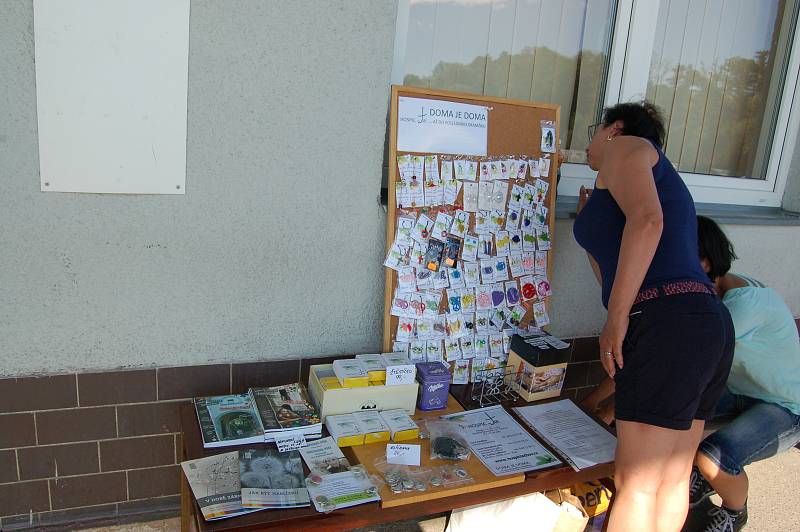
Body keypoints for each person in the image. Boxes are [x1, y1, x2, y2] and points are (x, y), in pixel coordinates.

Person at [573, 102, 734, 532]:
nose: (589, 142)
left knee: (638, 483)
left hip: (667, 321)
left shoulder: (626, 147)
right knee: (670, 477)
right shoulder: (627, 177)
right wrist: (592, 222)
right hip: (702, 320)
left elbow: (647, 222)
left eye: (595, 128)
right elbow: (616, 265)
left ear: (614, 129)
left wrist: (616, 319)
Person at [582, 216, 800, 532]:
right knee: (664, 418)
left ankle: (734, 512)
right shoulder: (710, 289)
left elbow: (661, 366)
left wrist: (600, 408)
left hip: (784, 407)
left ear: (706, 263)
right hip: (739, 391)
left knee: (713, 457)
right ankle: (689, 479)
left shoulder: (732, 311)